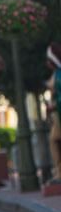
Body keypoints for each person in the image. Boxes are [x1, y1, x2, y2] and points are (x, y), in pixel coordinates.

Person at [45, 43, 61, 183]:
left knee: (54, 140)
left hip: (59, 113)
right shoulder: (56, 74)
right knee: (54, 140)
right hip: (57, 115)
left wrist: (53, 106)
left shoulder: (59, 75)